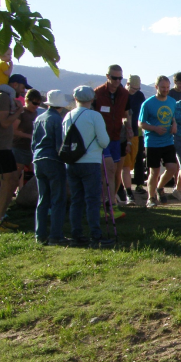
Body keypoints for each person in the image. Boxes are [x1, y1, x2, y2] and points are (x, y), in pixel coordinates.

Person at [64, 86, 113, 248]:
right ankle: (95, 235)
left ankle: (76, 234)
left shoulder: (68, 116)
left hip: (72, 162)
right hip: (90, 161)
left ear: (75, 99)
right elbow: (104, 141)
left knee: (76, 200)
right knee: (92, 200)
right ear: (92, 99)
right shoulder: (94, 116)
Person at [0, 74, 28, 232]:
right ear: (15, 84)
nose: (23, 91)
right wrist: (19, 111)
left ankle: (1, 217)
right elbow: (4, 122)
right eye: (23, 87)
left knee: (11, 181)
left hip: (5, 146)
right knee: (5, 183)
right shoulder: (2, 97)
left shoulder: (4, 97)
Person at [93, 65, 131, 220]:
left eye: (120, 78)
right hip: (101, 138)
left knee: (115, 171)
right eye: (114, 78)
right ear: (107, 76)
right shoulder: (97, 93)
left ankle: (111, 202)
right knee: (105, 170)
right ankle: (102, 204)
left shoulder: (124, 94)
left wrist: (129, 133)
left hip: (117, 137)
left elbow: (127, 115)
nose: (117, 81)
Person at [32, 90, 69, 245]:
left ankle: (39, 234)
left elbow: (33, 142)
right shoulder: (57, 120)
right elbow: (59, 144)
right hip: (53, 160)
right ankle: (56, 235)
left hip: (38, 159)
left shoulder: (39, 118)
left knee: (43, 198)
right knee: (58, 199)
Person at [139, 76, 179, 208]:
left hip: (168, 141)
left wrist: (174, 124)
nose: (165, 90)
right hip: (152, 142)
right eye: (163, 87)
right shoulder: (148, 104)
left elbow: (173, 117)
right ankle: (151, 198)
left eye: (167, 87)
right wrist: (154, 128)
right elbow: (140, 123)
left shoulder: (172, 101)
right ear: (156, 87)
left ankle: (160, 187)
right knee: (154, 172)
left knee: (172, 168)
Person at [12, 88, 42, 188]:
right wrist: (29, 136)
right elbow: (13, 131)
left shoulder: (35, 113)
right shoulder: (21, 113)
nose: (36, 106)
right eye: (34, 103)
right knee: (15, 178)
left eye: (38, 104)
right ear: (27, 100)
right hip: (19, 148)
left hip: (31, 149)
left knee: (37, 175)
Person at [123, 75, 145, 203]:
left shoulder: (140, 96)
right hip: (123, 133)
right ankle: (124, 189)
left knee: (138, 159)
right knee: (124, 162)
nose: (134, 91)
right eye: (132, 88)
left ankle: (139, 184)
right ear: (127, 84)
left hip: (137, 132)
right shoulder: (122, 94)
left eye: (137, 88)